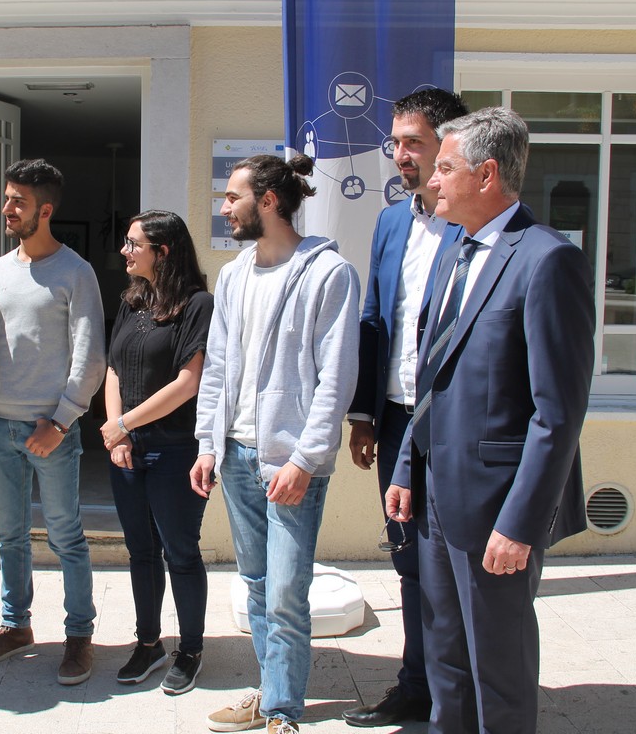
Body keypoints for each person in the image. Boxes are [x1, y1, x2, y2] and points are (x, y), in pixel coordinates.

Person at [385, 107, 595, 734]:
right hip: (436, 500)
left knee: (497, 670)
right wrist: (407, 466)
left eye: (445, 167)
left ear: (487, 175)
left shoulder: (547, 260)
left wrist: (521, 524)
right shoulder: (454, 249)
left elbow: (557, 415)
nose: (432, 179)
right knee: (446, 660)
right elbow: (431, 375)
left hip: (496, 509)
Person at [191, 154, 360, 734]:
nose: (224, 207)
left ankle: (283, 712)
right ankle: (270, 694)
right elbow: (217, 368)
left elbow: (336, 377)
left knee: (287, 590)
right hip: (235, 454)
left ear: (267, 201)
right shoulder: (234, 275)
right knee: (258, 587)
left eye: (232, 197)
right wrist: (207, 444)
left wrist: (306, 459)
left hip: (289, 461)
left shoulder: (328, 273)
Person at [341, 88, 468, 728]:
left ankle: (458, 692)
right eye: (395, 142)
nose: (399, 155)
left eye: (413, 142)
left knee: (453, 566)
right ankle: (417, 685)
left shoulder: (475, 224)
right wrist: (363, 415)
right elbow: (374, 318)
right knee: (408, 561)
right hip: (395, 420)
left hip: (453, 423)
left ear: (449, 143)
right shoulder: (391, 222)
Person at [0, 158, 106, 686]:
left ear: (44, 211)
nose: (7, 208)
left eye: (17, 202)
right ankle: (15, 625)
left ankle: (79, 635)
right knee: (10, 535)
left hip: (50, 429)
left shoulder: (76, 272)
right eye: (7, 198)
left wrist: (62, 422)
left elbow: (90, 358)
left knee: (66, 536)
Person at [100, 210, 213, 695]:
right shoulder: (132, 301)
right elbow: (113, 369)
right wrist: (118, 434)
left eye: (133, 244)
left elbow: (188, 383)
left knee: (180, 553)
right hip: (128, 449)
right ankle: (148, 643)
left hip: (175, 450)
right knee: (140, 552)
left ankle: (190, 650)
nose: (124, 251)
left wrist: (124, 424)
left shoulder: (197, 305)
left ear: (162, 252)